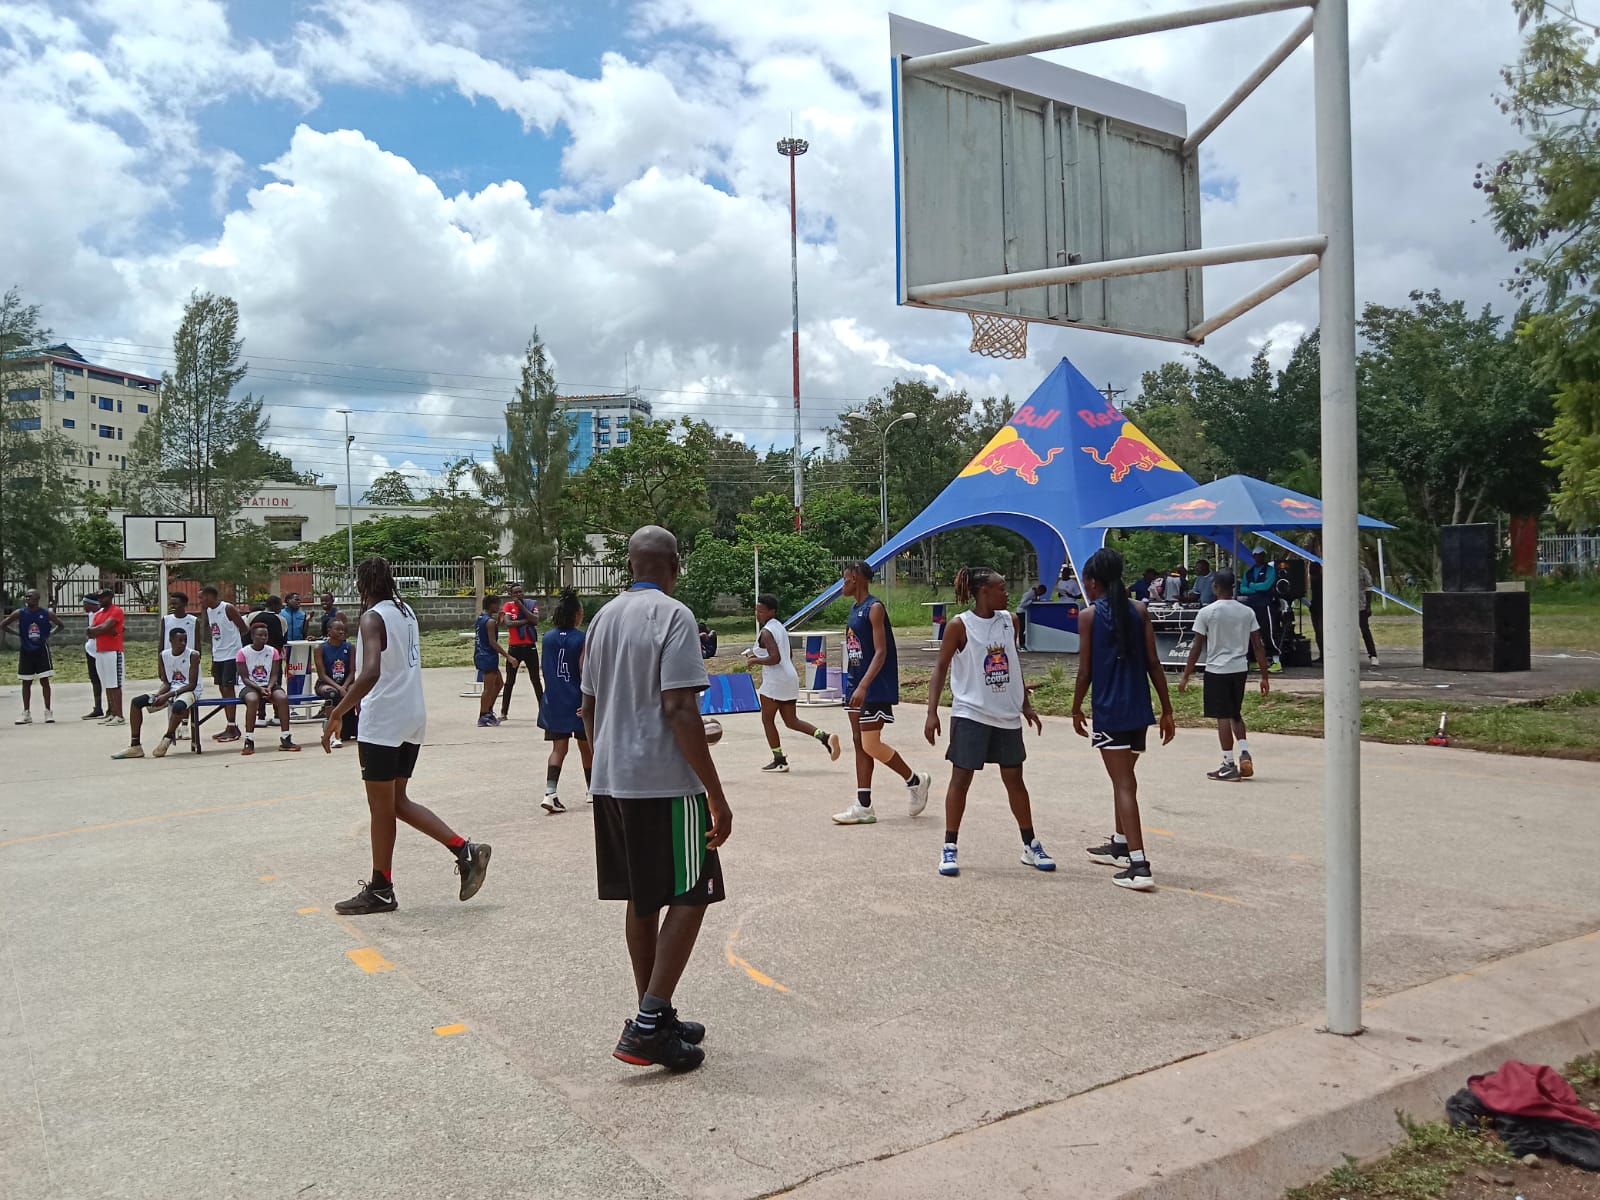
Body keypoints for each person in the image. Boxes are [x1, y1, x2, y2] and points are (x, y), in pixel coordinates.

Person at [581, 526, 730, 1072]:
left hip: (612, 778)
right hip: (664, 783)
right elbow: (679, 710)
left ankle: (654, 1013)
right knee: (694, 891)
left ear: (630, 563)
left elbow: (589, 706)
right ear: (675, 563)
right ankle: (649, 1024)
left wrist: (604, 759)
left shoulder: (602, 619)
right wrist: (717, 795)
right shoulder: (675, 616)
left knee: (642, 898)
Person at [321, 556, 492, 916]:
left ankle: (382, 889)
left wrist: (337, 711)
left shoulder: (372, 616)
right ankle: (464, 849)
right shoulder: (407, 611)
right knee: (397, 801)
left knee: (381, 808)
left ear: (362, 585)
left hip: (383, 719)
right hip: (412, 715)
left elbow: (369, 673)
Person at [923, 567, 1052, 878]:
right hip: (971, 712)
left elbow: (1013, 663)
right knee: (961, 779)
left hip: (1005, 714)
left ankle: (1029, 843)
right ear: (983, 592)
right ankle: (949, 846)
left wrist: (1025, 705)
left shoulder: (1011, 620)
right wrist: (932, 712)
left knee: (1014, 779)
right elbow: (940, 668)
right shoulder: (960, 626)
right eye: (1001, 588)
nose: (1006, 593)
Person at [1071, 547, 1175, 892]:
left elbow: (1085, 671)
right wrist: (1167, 709)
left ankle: (1139, 863)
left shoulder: (1088, 616)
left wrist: (1075, 707)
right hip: (1138, 708)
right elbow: (1154, 663)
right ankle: (1119, 842)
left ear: (1092, 582)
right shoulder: (1140, 610)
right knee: (1126, 777)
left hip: (1110, 709)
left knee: (1123, 784)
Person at [832, 560, 931, 826]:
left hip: (873, 685)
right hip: (855, 682)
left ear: (855, 578)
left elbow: (881, 652)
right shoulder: (854, 609)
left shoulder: (874, 608)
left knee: (871, 744)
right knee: (859, 742)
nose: (843, 584)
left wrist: (864, 685)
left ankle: (915, 781)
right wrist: (853, 683)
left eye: (845, 579)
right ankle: (864, 805)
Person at [1177, 568, 1270, 782]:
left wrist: (1186, 675)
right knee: (1235, 712)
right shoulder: (1246, 612)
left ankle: (1228, 763)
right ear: (1233, 588)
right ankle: (1244, 750)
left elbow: (1196, 646)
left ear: (1215, 587)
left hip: (1217, 669)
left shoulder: (1208, 612)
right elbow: (1257, 645)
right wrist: (1264, 676)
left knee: (1222, 717)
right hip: (1239, 668)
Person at [743, 593, 841, 773]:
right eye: (756, 610)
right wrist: (761, 657)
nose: (757, 614)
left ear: (771, 611)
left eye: (761, 611)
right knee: (791, 720)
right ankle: (824, 737)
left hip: (776, 680)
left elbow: (775, 657)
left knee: (767, 720)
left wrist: (754, 661)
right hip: (789, 677)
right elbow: (787, 655)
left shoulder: (766, 632)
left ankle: (779, 760)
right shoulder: (779, 627)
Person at [539, 588, 592, 813]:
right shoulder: (582, 638)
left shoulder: (547, 638)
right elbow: (583, 669)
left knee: (558, 748)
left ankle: (550, 793)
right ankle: (592, 790)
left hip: (553, 700)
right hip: (578, 701)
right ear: (577, 614)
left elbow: (545, 669)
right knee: (587, 746)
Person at [112, 627, 202, 760]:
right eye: (180, 640)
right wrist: (158, 694)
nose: (183, 643)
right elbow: (166, 682)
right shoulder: (164, 655)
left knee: (178, 706)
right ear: (171, 640)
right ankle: (135, 745)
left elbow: (192, 685)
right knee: (136, 702)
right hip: (171, 690)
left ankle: (167, 738)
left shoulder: (193, 655)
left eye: (185, 640)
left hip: (190, 691)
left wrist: (167, 695)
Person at [236, 622, 300, 754]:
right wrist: (259, 689)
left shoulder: (273, 652)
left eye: (265, 635)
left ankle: (285, 737)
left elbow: (274, 675)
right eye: (260, 635)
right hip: (249, 685)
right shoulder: (243, 652)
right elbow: (245, 678)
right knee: (253, 700)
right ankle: (249, 739)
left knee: (282, 698)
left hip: (268, 684)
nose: (263, 637)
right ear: (253, 636)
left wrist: (269, 687)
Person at [4, 589, 62, 724]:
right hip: (26, 651)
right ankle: (26, 713)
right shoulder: (20, 613)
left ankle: (48, 711)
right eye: (26, 597)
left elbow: (61, 625)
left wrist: (49, 634)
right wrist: (17, 634)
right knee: (26, 682)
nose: (27, 598)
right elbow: (3, 624)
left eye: (30, 596)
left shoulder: (46, 613)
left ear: (37, 598)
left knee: (44, 681)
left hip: (41, 650)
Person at [201, 585, 250, 742]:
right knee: (222, 688)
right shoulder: (209, 611)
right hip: (218, 655)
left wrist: (233, 642)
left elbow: (244, 628)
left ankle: (233, 726)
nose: (200, 600)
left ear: (210, 596)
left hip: (231, 654)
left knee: (229, 689)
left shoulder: (227, 608)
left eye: (202, 597)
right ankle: (230, 725)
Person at [499, 583, 543, 718]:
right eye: (515, 592)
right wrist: (525, 621)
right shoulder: (508, 606)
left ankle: (543, 710)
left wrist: (522, 607)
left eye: (520, 592)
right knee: (510, 681)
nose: (518, 594)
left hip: (530, 647)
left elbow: (535, 620)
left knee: (535, 680)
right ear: (511, 595)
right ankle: (504, 711)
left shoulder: (531, 604)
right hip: (514, 648)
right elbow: (508, 623)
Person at [312, 616, 357, 748]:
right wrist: (339, 687)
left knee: (357, 691)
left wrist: (344, 686)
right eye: (338, 629)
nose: (342, 632)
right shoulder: (320, 648)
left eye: (343, 629)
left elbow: (352, 671)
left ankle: (358, 725)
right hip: (326, 683)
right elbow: (322, 674)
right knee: (332, 694)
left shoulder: (349, 647)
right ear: (329, 631)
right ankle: (333, 735)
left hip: (345, 682)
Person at [86, 587, 127, 726]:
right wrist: (104, 629)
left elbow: (102, 628)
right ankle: (112, 712)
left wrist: (102, 629)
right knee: (106, 684)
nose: (100, 600)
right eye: (99, 597)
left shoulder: (116, 611)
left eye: (103, 597)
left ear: (110, 597)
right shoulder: (98, 614)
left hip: (113, 651)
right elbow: (90, 632)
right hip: (100, 651)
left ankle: (119, 715)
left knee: (115, 683)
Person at [473, 594, 514, 728]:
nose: (499, 607)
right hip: (487, 656)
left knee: (499, 684)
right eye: (497, 604)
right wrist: (508, 656)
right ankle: (483, 715)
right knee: (489, 688)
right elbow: (492, 642)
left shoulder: (482, 618)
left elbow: (486, 633)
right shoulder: (489, 622)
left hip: (482, 654)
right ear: (491, 605)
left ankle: (488, 710)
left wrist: (499, 623)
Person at [1239, 548, 1282, 672]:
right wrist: (1255, 588)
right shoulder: (1249, 572)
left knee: (1268, 632)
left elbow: (1266, 585)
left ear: (1264, 556)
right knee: (1251, 633)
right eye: (1256, 555)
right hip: (1251, 605)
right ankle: (1253, 661)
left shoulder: (1270, 570)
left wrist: (1252, 586)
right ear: (1253, 556)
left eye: (1261, 555)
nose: (1259, 557)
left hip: (1266, 604)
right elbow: (1242, 588)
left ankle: (1276, 661)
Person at [80, 595, 105, 720]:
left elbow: (93, 632)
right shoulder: (91, 614)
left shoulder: (101, 614)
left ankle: (111, 707)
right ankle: (98, 707)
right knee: (94, 679)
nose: (83, 606)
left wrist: (91, 631)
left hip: (101, 651)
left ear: (92, 604)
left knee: (105, 680)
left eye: (85, 603)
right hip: (91, 650)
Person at [1015, 582, 1047, 651]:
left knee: (1026, 629)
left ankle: (1025, 643)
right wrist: (1031, 601)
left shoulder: (1035, 594)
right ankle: (1021, 644)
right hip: (1021, 612)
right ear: (1039, 590)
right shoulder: (1029, 594)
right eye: (1041, 593)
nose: (1040, 595)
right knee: (1022, 629)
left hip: (1026, 613)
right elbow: (1022, 604)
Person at [1359, 558, 1379, 667]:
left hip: (1361, 606)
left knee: (1365, 630)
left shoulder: (1362, 571)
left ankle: (1373, 655)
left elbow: (1369, 588)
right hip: (1346, 607)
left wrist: (1368, 606)